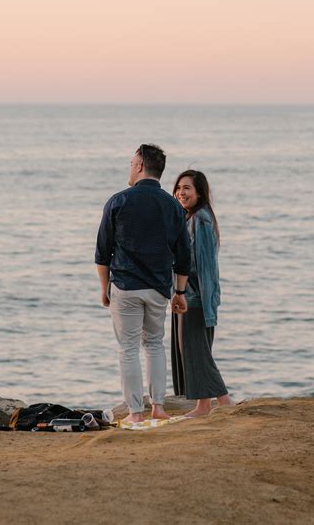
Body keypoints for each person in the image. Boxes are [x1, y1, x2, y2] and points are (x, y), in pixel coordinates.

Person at [95, 144, 190, 424]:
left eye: (131, 162)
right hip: (159, 288)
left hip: (125, 286)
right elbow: (183, 255)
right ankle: (158, 407)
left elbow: (103, 252)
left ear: (139, 166)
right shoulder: (173, 205)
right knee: (154, 345)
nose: (129, 167)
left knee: (128, 349)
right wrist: (180, 292)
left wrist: (104, 288)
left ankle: (136, 412)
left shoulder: (118, 201)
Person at [171, 169, 235, 417]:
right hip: (187, 295)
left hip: (195, 297)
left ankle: (223, 401)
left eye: (187, 188)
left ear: (200, 192)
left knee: (197, 351)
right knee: (193, 350)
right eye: (178, 187)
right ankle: (204, 405)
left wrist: (202, 301)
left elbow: (204, 266)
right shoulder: (189, 219)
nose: (180, 192)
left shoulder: (201, 220)